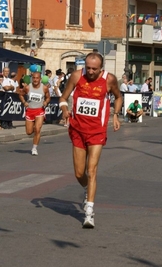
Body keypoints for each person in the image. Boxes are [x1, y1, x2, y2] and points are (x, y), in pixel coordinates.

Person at [59, 52, 122, 228]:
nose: (91, 71)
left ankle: (89, 212)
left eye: (94, 69)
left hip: (97, 131)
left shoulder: (109, 79)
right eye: (88, 68)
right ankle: (88, 189)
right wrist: (65, 109)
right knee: (79, 173)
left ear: (101, 68)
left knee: (91, 170)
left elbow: (118, 96)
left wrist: (115, 115)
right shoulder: (76, 76)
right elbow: (63, 98)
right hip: (77, 129)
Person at [19, 72, 50, 156]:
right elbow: (21, 95)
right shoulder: (28, 87)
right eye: (34, 78)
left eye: (37, 78)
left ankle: (34, 148)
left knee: (37, 129)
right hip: (30, 110)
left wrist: (46, 102)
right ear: (32, 78)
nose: (35, 80)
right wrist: (24, 102)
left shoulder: (44, 88)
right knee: (29, 132)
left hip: (40, 110)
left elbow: (48, 97)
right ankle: (33, 126)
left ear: (40, 79)